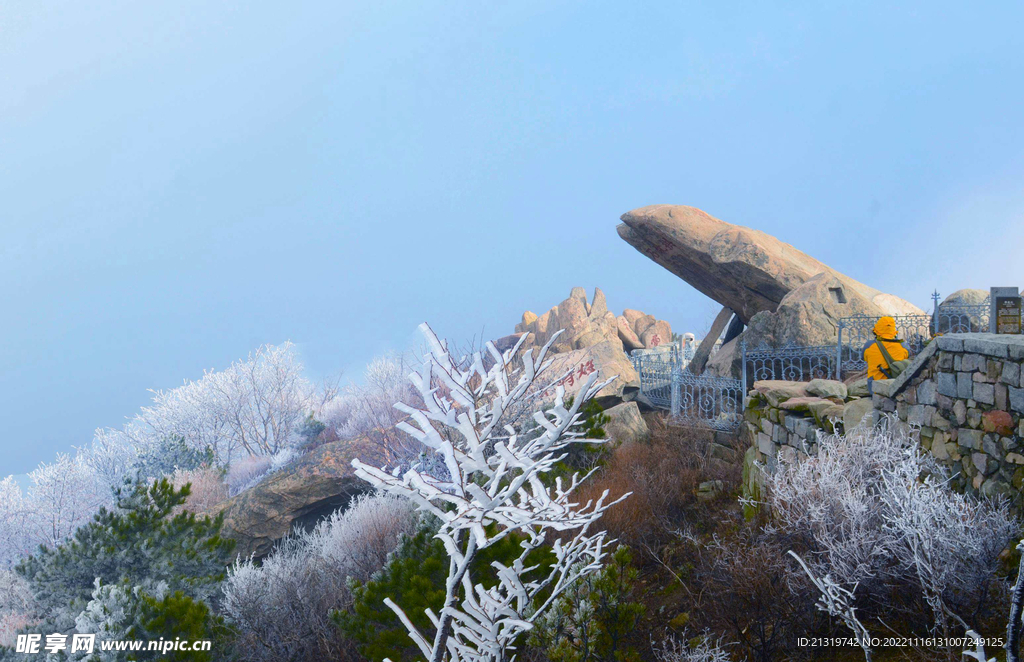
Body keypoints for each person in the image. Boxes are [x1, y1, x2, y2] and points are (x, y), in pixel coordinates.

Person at [863, 316, 909, 380]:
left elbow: (865, 359)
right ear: (893, 330)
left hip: (874, 386)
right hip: (897, 385)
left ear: (877, 329)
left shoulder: (869, 345)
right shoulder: (903, 345)